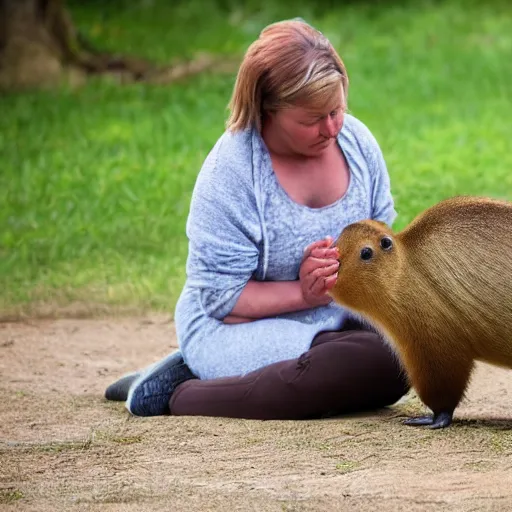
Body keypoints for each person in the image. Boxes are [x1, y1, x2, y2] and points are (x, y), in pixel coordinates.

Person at [105, 18, 410, 419]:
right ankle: (179, 391)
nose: (332, 128)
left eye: (337, 110)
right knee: (366, 364)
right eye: (312, 120)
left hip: (340, 321)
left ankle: (234, 376)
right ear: (267, 111)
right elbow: (220, 300)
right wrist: (303, 294)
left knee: (403, 350)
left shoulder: (357, 144)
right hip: (234, 329)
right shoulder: (231, 173)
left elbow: (384, 249)